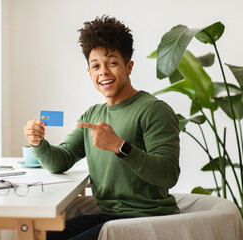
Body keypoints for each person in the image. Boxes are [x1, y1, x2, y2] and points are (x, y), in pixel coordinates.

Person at [24, 15, 180, 240]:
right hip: (108, 217)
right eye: (95, 66)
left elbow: (168, 174)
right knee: (43, 236)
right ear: (89, 73)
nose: (103, 72)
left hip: (145, 221)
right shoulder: (93, 115)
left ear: (129, 66)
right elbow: (61, 160)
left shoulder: (154, 110)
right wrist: (38, 142)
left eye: (112, 63)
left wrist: (120, 146)